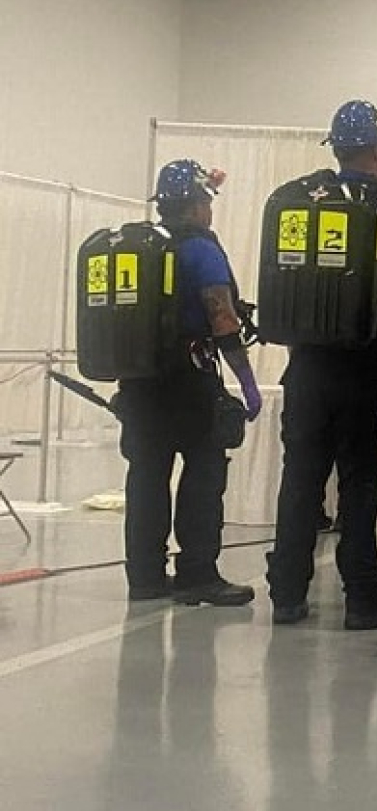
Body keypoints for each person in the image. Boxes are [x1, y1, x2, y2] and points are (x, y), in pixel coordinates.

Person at [264, 100, 377, 629]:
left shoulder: (298, 202)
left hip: (305, 368)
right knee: (360, 482)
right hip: (365, 369)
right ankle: (363, 599)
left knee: (300, 479)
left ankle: (286, 592)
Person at [121, 159, 261, 606]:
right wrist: (246, 379)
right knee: (203, 473)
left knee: (146, 475)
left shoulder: (140, 246)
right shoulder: (201, 250)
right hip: (188, 380)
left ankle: (144, 576)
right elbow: (221, 317)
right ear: (199, 204)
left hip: (139, 381)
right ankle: (198, 573)